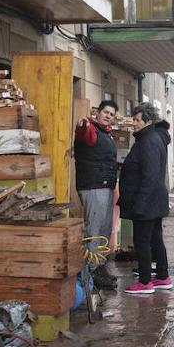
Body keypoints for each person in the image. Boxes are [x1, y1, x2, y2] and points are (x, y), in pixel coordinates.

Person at [118, 102, 172, 295]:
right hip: (154, 201)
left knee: (142, 241)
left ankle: (145, 281)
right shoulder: (154, 138)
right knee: (156, 239)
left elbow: (150, 175)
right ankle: (163, 277)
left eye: (137, 120)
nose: (134, 124)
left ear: (147, 121)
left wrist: (140, 204)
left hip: (146, 202)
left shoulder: (148, 141)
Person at [74, 100, 120, 290]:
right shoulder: (91, 130)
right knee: (94, 230)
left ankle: (100, 267)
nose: (108, 116)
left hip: (106, 186)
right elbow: (84, 132)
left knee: (104, 229)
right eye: (106, 112)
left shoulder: (107, 134)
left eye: (111, 114)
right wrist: (83, 124)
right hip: (93, 186)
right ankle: (90, 273)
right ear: (98, 113)